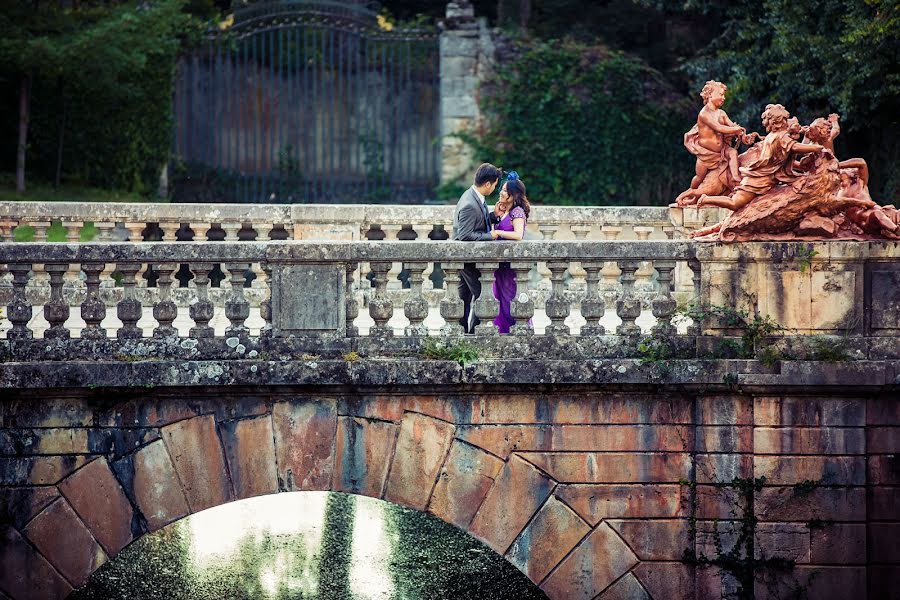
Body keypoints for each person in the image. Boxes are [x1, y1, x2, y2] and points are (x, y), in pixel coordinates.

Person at [699, 104, 824, 211]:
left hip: (766, 177)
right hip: (760, 179)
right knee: (735, 203)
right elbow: (795, 147)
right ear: (779, 122)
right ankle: (706, 199)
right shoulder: (780, 137)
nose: (787, 122)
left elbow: (787, 152)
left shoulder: (773, 135)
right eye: (785, 120)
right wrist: (817, 148)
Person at [674, 80, 746, 206]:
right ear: (710, 95)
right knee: (699, 177)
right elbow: (719, 128)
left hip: (721, 151)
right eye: (721, 94)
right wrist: (735, 129)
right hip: (706, 155)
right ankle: (691, 195)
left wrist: (743, 135)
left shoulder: (721, 113)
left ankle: (736, 179)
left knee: (733, 152)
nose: (723, 98)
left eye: (724, 95)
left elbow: (732, 125)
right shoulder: (704, 114)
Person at [452, 162, 501, 333]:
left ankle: (463, 334)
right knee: (483, 296)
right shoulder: (469, 204)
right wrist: (491, 236)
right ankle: (473, 334)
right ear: (488, 183)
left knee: (463, 299)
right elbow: (464, 235)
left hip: (467, 260)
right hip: (467, 261)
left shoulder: (473, 196)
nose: (495, 188)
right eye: (495, 185)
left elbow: (477, 222)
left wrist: (494, 216)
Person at [489, 172, 531, 334]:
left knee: (509, 300)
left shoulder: (517, 212)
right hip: (499, 264)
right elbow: (492, 233)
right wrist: (496, 216)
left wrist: (499, 234)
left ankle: (516, 333)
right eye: (502, 189)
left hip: (510, 266)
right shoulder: (504, 210)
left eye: (505, 190)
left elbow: (518, 235)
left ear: (513, 195)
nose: (501, 192)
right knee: (497, 300)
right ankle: (501, 333)